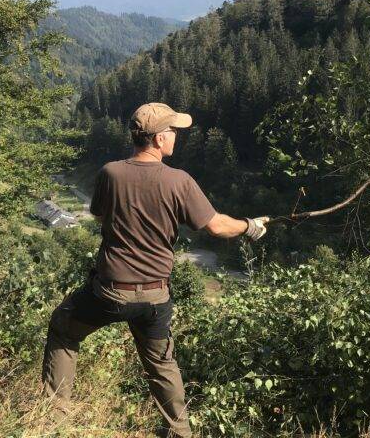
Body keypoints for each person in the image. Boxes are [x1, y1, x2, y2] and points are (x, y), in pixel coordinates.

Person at [43, 102, 269, 437]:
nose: (176, 136)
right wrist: (250, 226)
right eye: (173, 131)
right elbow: (217, 226)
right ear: (160, 138)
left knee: (63, 328)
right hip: (155, 296)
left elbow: (100, 215)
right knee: (162, 365)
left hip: (110, 292)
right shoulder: (179, 181)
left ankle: (54, 419)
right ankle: (179, 432)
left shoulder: (110, 173)